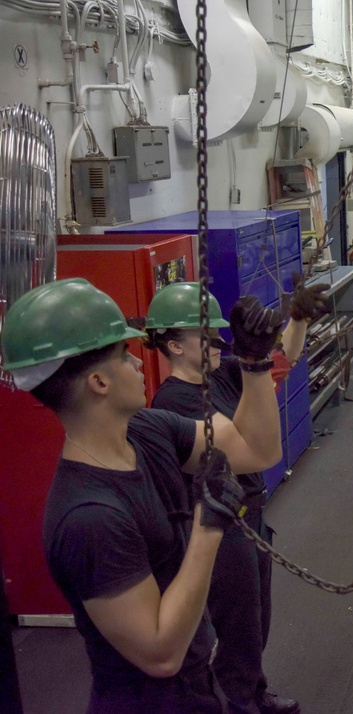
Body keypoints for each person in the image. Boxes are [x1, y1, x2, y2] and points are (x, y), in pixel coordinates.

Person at [0, 278, 285, 713]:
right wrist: (208, 526)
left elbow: (256, 450)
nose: (137, 362)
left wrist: (254, 362)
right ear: (98, 381)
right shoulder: (88, 517)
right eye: (123, 355)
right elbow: (160, 654)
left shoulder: (149, 431)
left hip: (197, 685)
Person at [144, 278, 330, 714]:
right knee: (238, 628)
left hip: (250, 513)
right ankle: (240, 703)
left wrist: (297, 319)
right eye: (203, 334)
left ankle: (251, 690)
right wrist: (256, 363)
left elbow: (281, 359)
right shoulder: (174, 403)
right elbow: (246, 454)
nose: (216, 341)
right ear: (173, 345)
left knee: (256, 621)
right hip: (221, 529)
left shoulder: (225, 374)